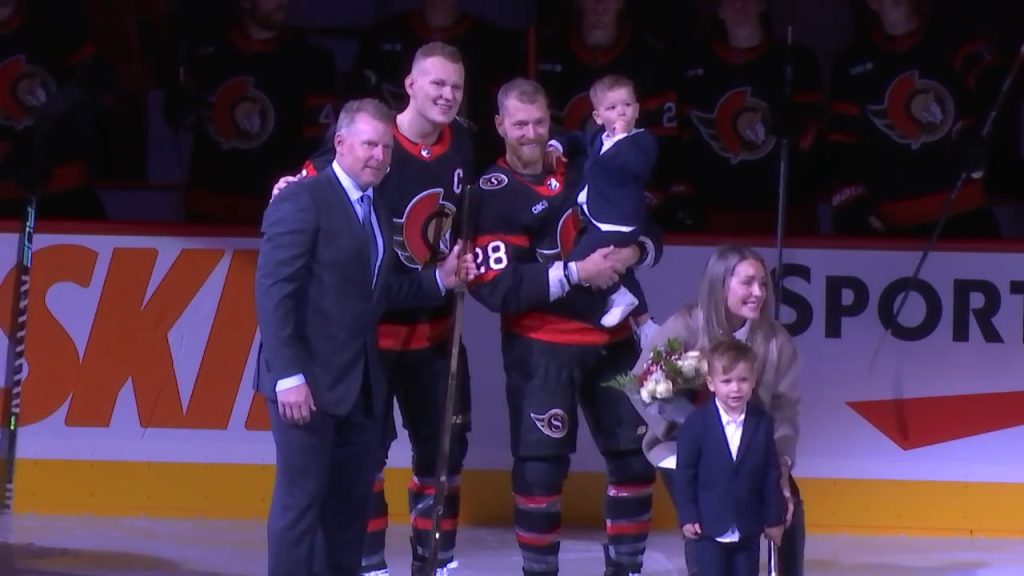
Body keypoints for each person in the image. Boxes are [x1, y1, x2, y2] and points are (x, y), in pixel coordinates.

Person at [272, 41, 475, 576]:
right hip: (348, 359)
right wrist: (287, 373)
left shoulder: (451, 155)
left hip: (419, 338)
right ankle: (368, 566)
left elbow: (387, 282)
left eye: (456, 86)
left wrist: (443, 277)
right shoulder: (333, 171)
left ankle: (428, 565)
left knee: (424, 462)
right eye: (437, 83)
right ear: (409, 84)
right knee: (333, 484)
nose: (448, 95)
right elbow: (279, 285)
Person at [468, 77, 663, 576]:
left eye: (538, 122)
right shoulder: (491, 194)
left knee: (635, 459)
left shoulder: (584, 163)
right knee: (540, 469)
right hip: (542, 349)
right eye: (519, 124)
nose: (531, 134)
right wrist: (577, 273)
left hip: (614, 340)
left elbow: (646, 224)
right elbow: (497, 288)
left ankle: (627, 570)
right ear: (500, 127)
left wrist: (634, 250)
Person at [631, 244, 803, 575]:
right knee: (710, 509)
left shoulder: (775, 340)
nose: (759, 293)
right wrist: (690, 424)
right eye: (748, 283)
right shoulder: (685, 328)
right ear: (720, 285)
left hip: (750, 445)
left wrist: (780, 463)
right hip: (682, 448)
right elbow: (642, 385)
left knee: (787, 505)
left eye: (764, 284)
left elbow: (785, 410)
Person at [824, 0, 1003, 237]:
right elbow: (842, 150)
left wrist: (980, 133)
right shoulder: (852, 63)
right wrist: (851, 204)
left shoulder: (955, 40)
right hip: (894, 229)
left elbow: (996, 93)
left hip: (965, 216)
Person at [670, 0, 824, 235]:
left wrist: (799, 127)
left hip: (785, 216)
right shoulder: (695, 63)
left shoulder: (794, 60)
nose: (739, 4)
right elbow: (682, 144)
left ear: (762, 4)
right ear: (718, 9)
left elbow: (818, 139)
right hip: (716, 216)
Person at [547, 74, 658, 340]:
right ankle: (645, 325)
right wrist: (556, 144)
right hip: (596, 216)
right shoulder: (596, 137)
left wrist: (621, 138)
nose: (621, 112)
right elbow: (576, 139)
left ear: (637, 109)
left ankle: (617, 295)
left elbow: (633, 164)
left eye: (627, 105)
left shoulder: (641, 142)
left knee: (580, 260)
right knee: (619, 268)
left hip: (620, 222)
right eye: (612, 108)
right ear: (597, 117)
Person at [675, 338, 786, 576]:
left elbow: (770, 474)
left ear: (753, 382)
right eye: (727, 381)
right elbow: (685, 473)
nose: (735, 388)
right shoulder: (696, 423)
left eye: (743, 380)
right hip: (708, 527)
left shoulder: (762, 423)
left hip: (748, 527)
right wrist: (687, 515)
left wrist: (774, 518)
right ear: (711, 383)